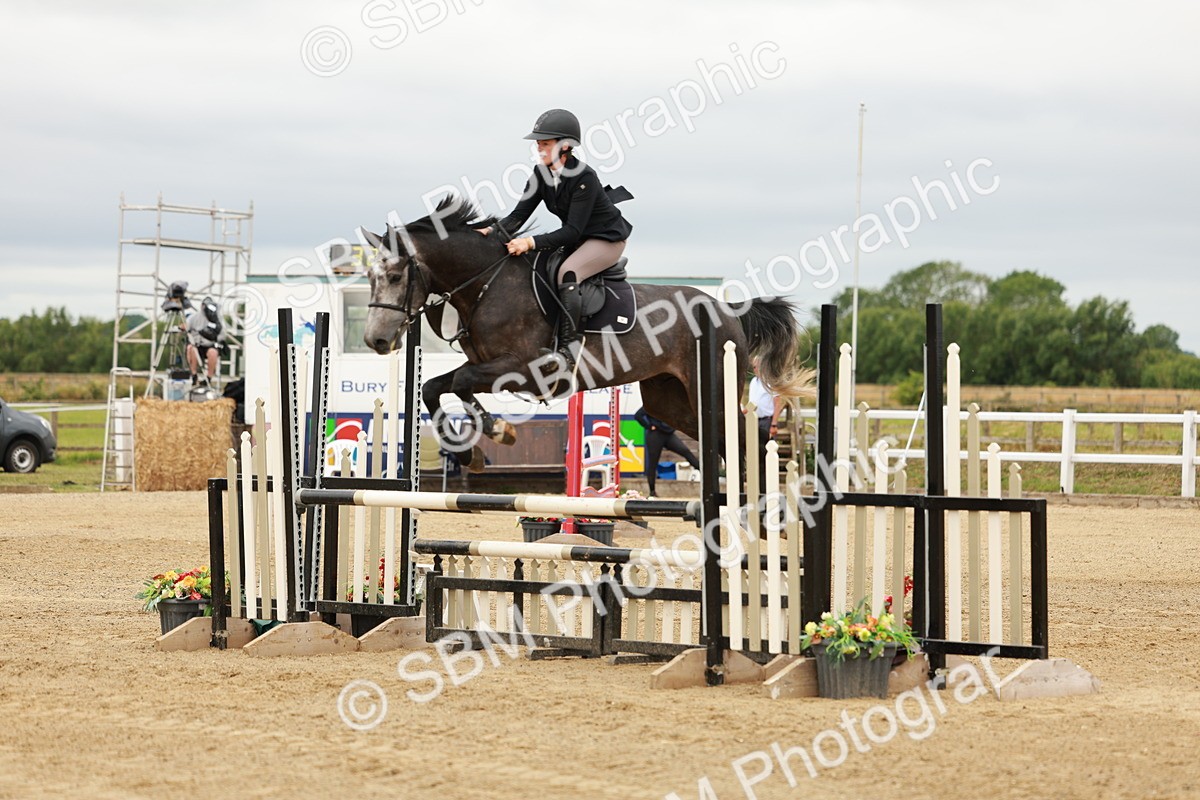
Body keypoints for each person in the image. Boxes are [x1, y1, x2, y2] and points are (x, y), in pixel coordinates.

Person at [478, 109, 633, 369]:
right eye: (538, 143)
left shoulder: (584, 177)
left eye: (545, 143)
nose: (539, 148)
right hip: (578, 240)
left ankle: (568, 351)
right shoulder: (540, 174)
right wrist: (489, 232)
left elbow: (572, 230)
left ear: (565, 146)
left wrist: (529, 242)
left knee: (568, 273)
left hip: (606, 240)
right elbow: (517, 217)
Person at [634, 406, 699, 498]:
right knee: (653, 463)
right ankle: (652, 492)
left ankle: (703, 474)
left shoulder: (670, 404)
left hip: (669, 434)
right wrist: (649, 426)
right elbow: (638, 415)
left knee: (685, 451)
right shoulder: (652, 403)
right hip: (655, 435)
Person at [748, 360, 784, 491]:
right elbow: (752, 402)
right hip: (754, 419)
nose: (755, 369)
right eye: (754, 367)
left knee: (767, 452)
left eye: (757, 366)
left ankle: (770, 485)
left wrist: (774, 423)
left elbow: (777, 403)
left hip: (767, 420)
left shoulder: (771, 382)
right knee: (755, 453)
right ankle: (759, 486)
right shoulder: (753, 382)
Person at [185, 296, 226, 388]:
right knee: (191, 349)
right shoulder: (193, 318)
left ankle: (209, 377)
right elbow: (186, 326)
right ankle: (194, 375)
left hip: (210, 345)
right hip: (196, 344)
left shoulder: (217, 318)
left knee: (213, 353)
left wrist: (215, 338)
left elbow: (222, 334)